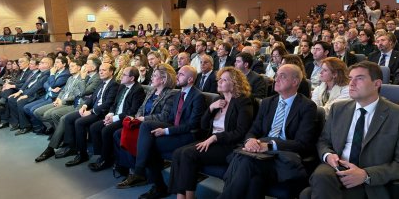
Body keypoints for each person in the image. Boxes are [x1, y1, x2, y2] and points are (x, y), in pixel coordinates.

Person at [301, 61, 399, 199]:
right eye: (350, 78)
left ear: (377, 84)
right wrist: (328, 155)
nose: (351, 83)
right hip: (335, 169)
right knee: (321, 175)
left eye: (359, 78)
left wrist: (366, 175)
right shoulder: (338, 108)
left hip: (369, 179)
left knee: (307, 194)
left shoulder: (395, 115)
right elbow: (324, 141)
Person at [218, 64, 317, 199]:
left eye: (282, 76)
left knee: (244, 161)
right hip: (260, 154)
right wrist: (250, 140)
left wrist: (269, 145)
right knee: (254, 180)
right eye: (276, 75)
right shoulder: (267, 102)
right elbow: (254, 130)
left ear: (295, 82)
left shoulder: (307, 106)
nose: (276, 79)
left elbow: (303, 144)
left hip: (282, 157)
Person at [116, 66, 205, 199]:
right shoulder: (180, 93)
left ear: (190, 79)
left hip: (188, 135)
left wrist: (166, 130)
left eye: (181, 74)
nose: (177, 76)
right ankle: (156, 184)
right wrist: (163, 128)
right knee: (147, 135)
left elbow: (192, 125)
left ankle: (145, 175)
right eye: (178, 73)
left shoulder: (197, 96)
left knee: (149, 139)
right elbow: (170, 118)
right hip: (175, 130)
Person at [169, 67, 253, 199]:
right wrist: (210, 108)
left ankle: (188, 197)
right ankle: (181, 195)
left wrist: (215, 137)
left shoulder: (243, 101)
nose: (219, 82)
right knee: (178, 153)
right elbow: (203, 125)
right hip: (211, 141)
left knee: (188, 154)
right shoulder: (217, 101)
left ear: (235, 83)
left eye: (224, 80)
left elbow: (240, 132)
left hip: (228, 145)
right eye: (219, 79)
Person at [87, 66, 146, 171]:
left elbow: (132, 111)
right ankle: (104, 155)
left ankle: (105, 160)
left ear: (132, 78)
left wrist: (114, 118)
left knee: (106, 131)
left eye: (124, 75)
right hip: (115, 115)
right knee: (94, 127)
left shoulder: (138, 90)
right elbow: (114, 103)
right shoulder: (122, 86)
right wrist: (110, 113)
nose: (121, 76)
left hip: (126, 118)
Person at [62, 63, 119, 166]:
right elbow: (92, 98)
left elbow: (108, 103)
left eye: (104, 70)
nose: (101, 72)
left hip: (102, 113)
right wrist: (84, 106)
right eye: (100, 70)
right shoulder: (102, 83)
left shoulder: (114, 84)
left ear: (111, 72)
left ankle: (82, 154)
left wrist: (91, 111)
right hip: (93, 109)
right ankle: (72, 147)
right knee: (69, 118)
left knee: (79, 122)